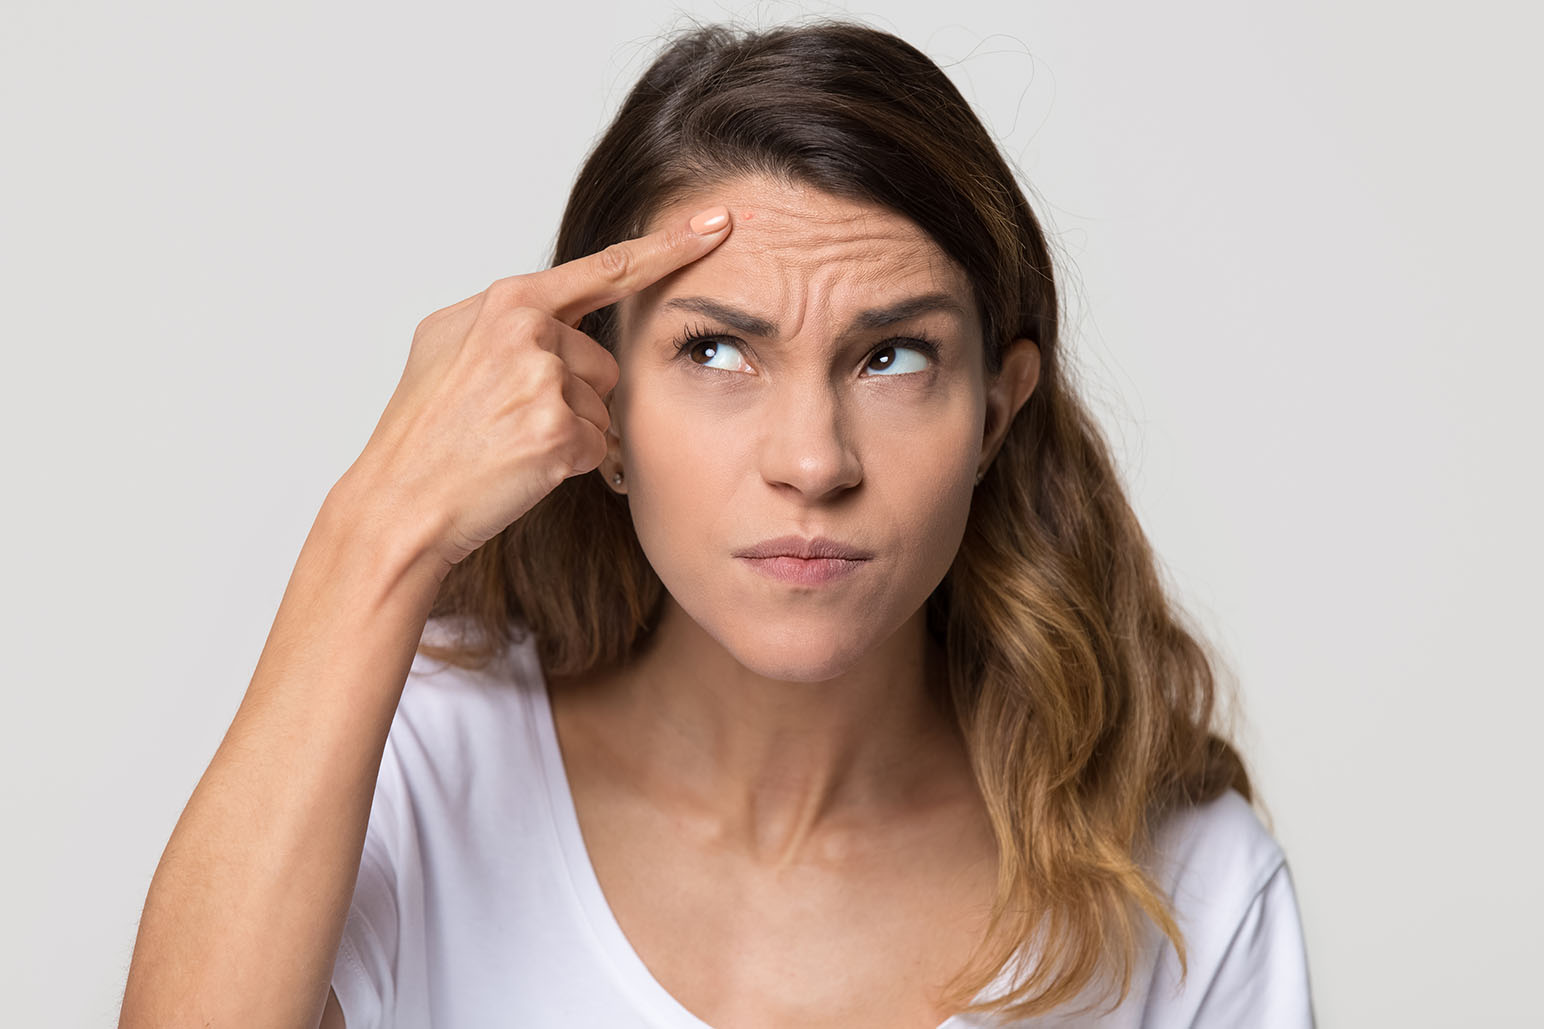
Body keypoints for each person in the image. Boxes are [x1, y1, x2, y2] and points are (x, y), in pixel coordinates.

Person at [119, 19, 1315, 1029]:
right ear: (599, 401)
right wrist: (379, 525)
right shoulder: (414, 773)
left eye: (891, 356)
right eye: (715, 348)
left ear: (995, 415)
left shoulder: (1185, 888)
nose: (811, 461)